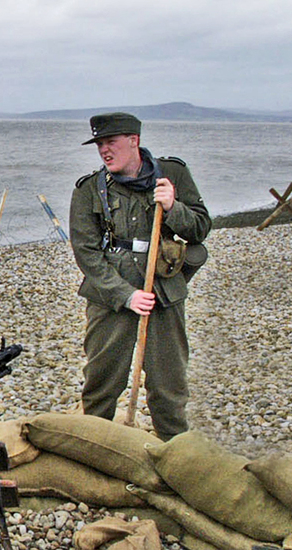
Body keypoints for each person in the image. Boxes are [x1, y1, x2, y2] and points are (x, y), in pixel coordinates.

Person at [68, 112, 211, 441]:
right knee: (101, 382)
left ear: (134, 140)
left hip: (163, 290)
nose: (104, 150)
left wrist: (174, 207)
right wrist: (125, 295)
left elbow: (201, 228)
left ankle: (174, 451)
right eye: (99, 144)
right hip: (110, 295)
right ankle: (95, 448)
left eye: (111, 142)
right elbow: (86, 252)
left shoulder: (173, 173)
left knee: (169, 384)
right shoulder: (89, 189)